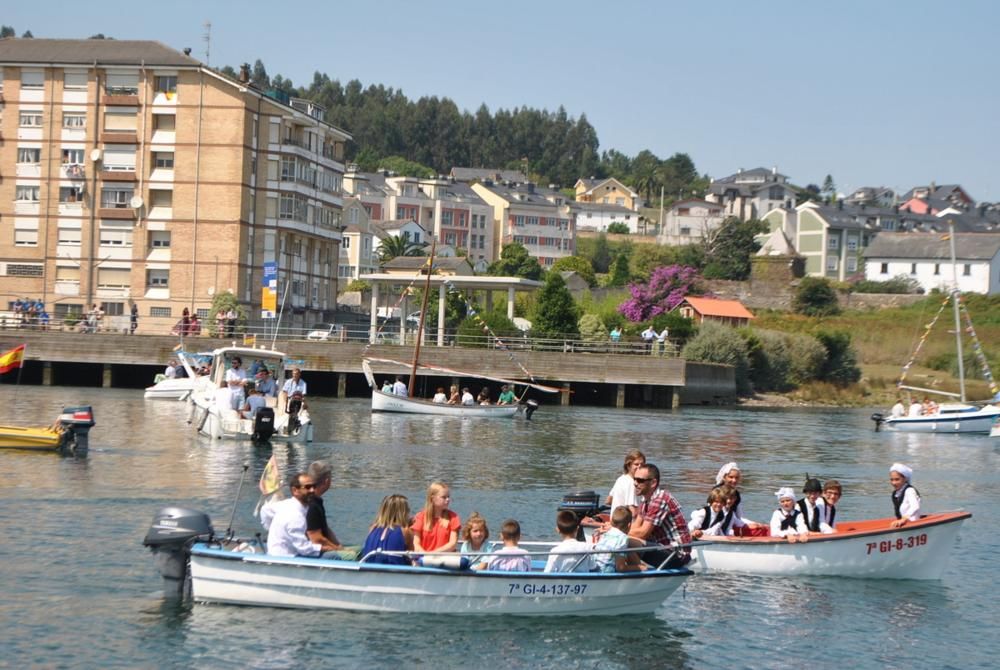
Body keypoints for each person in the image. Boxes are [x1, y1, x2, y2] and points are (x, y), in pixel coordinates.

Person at [629, 463, 692, 568]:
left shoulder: (660, 499)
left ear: (653, 483)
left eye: (640, 480)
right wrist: (615, 530)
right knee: (621, 538)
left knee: (625, 541)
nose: (635, 483)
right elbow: (635, 528)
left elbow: (642, 533)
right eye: (634, 479)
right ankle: (628, 569)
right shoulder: (645, 500)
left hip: (676, 554)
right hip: (663, 549)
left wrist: (615, 531)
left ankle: (638, 571)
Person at [305, 461, 357, 560]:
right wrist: (338, 549)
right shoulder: (312, 505)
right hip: (315, 552)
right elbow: (317, 539)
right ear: (327, 481)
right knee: (353, 556)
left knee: (360, 550)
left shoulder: (317, 501)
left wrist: (339, 546)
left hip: (324, 548)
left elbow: (326, 529)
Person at [266, 473, 323, 557]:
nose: (312, 490)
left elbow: (265, 510)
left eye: (314, 486)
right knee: (335, 555)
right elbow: (304, 549)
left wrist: (270, 528)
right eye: (308, 487)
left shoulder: (285, 504)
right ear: (295, 490)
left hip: (280, 552)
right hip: (286, 558)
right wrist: (325, 548)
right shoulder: (295, 516)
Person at [713, 462, 766, 535]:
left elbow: (739, 517)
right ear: (724, 477)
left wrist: (755, 524)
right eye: (731, 477)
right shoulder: (717, 492)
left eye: (736, 478)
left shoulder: (736, 494)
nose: (734, 480)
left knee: (760, 528)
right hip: (717, 527)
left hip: (731, 523)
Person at [360, 494, 414, 565]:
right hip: (395, 571)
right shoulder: (405, 531)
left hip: (369, 569)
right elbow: (412, 556)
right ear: (403, 513)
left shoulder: (372, 528)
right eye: (407, 509)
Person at [411, 482, 461, 554]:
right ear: (433, 498)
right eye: (444, 497)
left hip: (445, 559)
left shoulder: (453, 517)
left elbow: (452, 544)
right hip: (424, 558)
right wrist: (425, 556)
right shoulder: (420, 517)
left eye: (448, 497)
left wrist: (433, 554)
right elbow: (416, 544)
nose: (448, 500)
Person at [594, 507, 644, 573]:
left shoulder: (606, 533)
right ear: (629, 525)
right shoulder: (622, 538)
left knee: (629, 550)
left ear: (611, 522)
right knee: (639, 566)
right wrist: (639, 567)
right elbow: (620, 568)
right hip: (606, 571)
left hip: (596, 568)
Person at [606, 449, 645, 517]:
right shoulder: (632, 484)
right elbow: (634, 512)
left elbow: (608, 500)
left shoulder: (621, 479)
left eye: (642, 464)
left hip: (615, 520)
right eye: (636, 464)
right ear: (628, 466)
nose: (640, 466)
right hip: (624, 525)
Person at [890, 463, 921, 528]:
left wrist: (904, 519)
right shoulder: (895, 493)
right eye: (892, 479)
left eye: (897, 479)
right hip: (903, 523)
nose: (894, 483)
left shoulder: (909, 490)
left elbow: (915, 506)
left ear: (905, 479)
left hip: (912, 524)